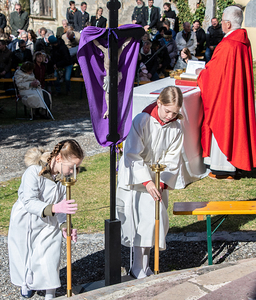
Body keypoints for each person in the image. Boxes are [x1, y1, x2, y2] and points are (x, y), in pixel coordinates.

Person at [116, 86, 184, 279]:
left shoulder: (176, 127)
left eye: (175, 113)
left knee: (154, 223)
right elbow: (131, 153)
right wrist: (147, 181)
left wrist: (160, 183)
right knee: (139, 223)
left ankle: (145, 265)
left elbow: (173, 159)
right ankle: (137, 265)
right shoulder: (142, 120)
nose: (170, 116)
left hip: (158, 181)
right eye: (167, 111)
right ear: (159, 103)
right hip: (137, 180)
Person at [8, 139, 84, 299]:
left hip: (50, 224)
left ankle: (50, 294)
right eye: (72, 167)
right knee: (27, 257)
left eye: (76, 168)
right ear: (58, 159)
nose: (74, 171)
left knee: (51, 259)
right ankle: (26, 285)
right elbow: (29, 202)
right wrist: (56, 208)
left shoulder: (63, 180)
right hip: (27, 222)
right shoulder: (33, 173)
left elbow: (62, 205)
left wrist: (65, 225)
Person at [197, 6, 256, 179]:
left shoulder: (228, 44)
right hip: (237, 91)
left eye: (222, 21)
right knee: (238, 122)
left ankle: (223, 167)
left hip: (225, 95)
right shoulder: (243, 41)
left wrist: (201, 74)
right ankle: (237, 163)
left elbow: (214, 75)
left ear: (228, 24)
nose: (221, 24)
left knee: (225, 122)